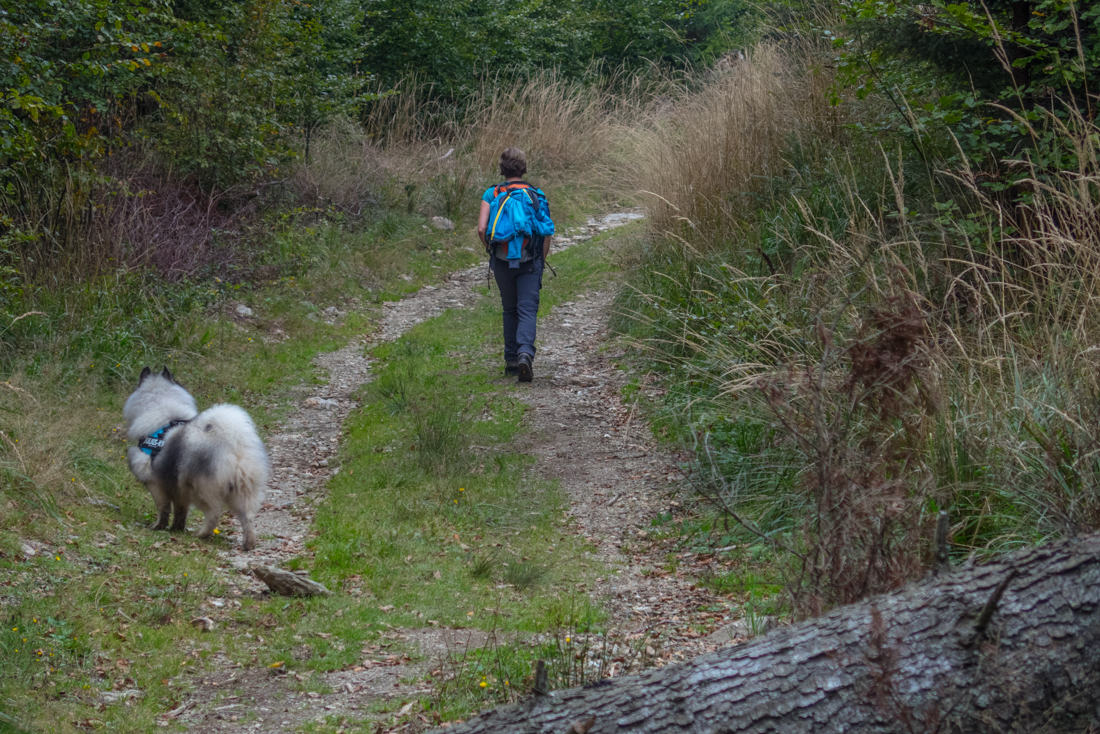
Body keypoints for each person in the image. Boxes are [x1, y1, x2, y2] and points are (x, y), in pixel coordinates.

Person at [477, 148, 551, 383]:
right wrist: (541, 259)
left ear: (502, 169)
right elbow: (546, 231)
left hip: (501, 259)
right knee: (527, 309)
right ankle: (525, 354)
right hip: (530, 260)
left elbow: (481, 228)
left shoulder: (492, 193)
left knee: (509, 308)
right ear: (524, 168)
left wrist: (491, 249)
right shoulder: (536, 194)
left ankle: (510, 360)